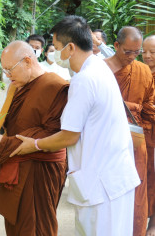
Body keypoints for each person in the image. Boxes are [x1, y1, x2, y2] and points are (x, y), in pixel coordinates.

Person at [11, 16, 140, 235]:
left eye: (57, 47)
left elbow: (68, 136)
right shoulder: (100, 67)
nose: (54, 53)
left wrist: (35, 144)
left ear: (71, 47)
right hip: (114, 178)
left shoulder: (84, 80)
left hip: (102, 186)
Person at [0, 41, 68, 235]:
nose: (7, 75)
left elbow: (54, 134)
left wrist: (5, 144)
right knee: (16, 225)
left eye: (10, 70)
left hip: (40, 169)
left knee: (36, 225)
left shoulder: (56, 86)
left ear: (27, 61)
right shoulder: (16, 86)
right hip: (16, 164)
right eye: (5, 71)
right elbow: (4, 123)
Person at [104, 27, 155, 236]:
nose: (133, 57)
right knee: (111, 193)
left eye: (137, 52)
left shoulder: (141, 71)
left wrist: (139, 125)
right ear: (116, 46)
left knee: (137, 192)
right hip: (107, 142)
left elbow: (150, 106)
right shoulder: (100, 70)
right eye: (128, 52)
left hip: (136, 142)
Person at [143, 35, 155, 236]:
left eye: (152, 52)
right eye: (144, 51)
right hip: (139, 135)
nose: (147, 56)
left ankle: (153, 225)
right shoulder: (137, 72)